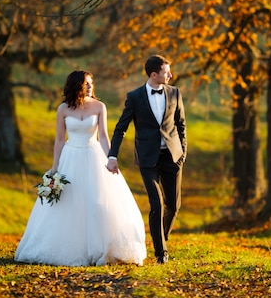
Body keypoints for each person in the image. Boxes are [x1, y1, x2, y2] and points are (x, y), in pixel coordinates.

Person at [14, 70, 146, 266]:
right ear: (76, 85)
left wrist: (111, 158)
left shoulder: (100, 107)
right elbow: (59, 139)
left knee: (96, 201)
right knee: (67, 203)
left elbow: (103, 136)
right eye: (86, 83)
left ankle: (99, 247)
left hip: (93, 156)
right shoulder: (63, 109)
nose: (90, 86)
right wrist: (54, 167)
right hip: (71, 157)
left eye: (91, 83)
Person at [107, 55, 187, 264]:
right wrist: (112, 155)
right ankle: (161, 253)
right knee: (156, 204)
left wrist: (183, 153)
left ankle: (162, 237)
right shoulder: (134, 97)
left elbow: (181, 125)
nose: (170, 74)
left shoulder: (175, 93)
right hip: (147, 159)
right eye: (166, 71)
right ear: (154, 74)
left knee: (174, 206)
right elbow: (121, 128)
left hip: (172, 157)